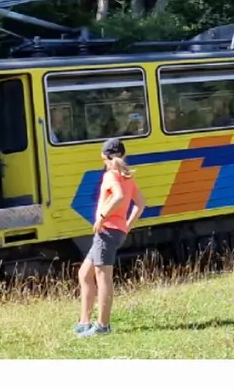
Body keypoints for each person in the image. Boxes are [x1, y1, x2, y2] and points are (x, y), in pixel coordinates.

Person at [77, 138, 146, 337]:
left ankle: (102, 326)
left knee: (103, 277)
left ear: (104, 157)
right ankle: (84, 322)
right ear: (123, 155)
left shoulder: (111, 176)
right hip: (114, 231)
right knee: (84, 273)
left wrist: (101, 216)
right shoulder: (127, 177)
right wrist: (126, 226)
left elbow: (118, 197)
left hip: (107, 231)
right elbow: (140, 204)